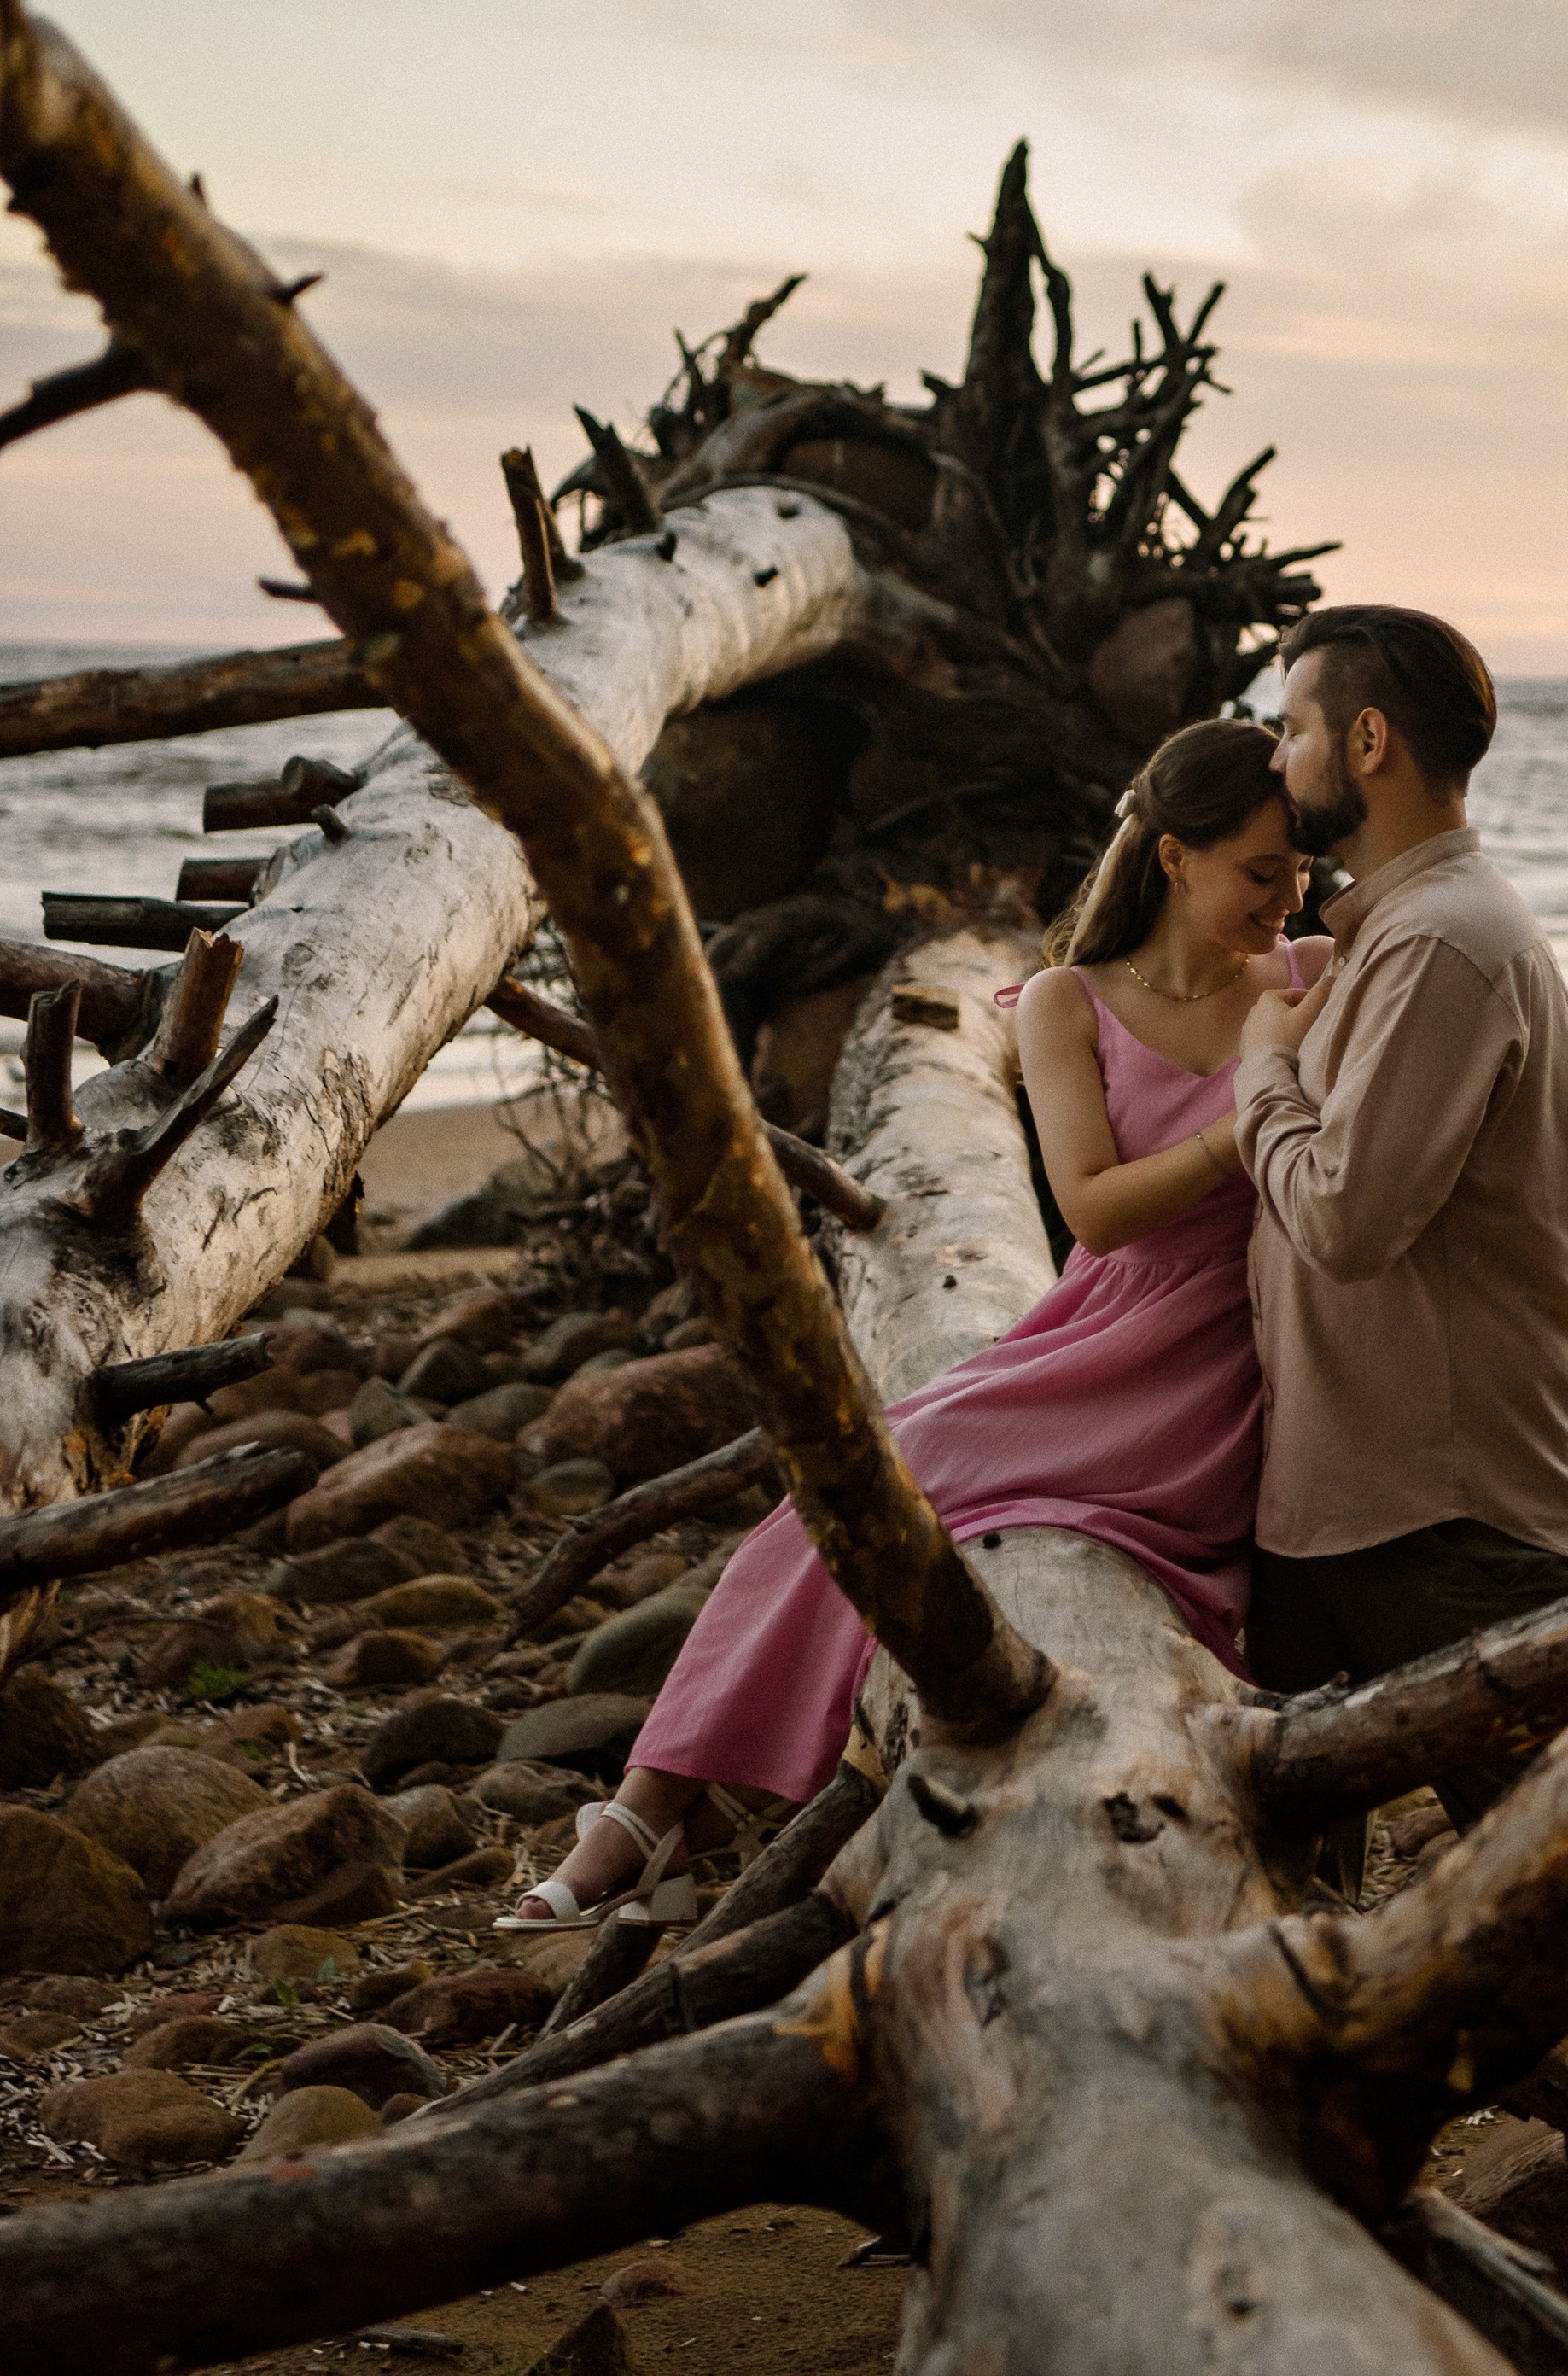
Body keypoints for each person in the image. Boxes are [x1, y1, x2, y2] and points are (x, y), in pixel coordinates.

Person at [498, 715, 1322, 1933]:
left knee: (896, 1483)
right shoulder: (1067, 1001)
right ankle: (651, 1811)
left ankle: (654, 1820)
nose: (1290, 894)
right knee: (846, 1490)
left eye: (1303, 869)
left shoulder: (1309, 977)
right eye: (1264, 869)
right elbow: (1093, 1212)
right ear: (1173, 858)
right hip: (1105, 1336)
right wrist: (1252, 1101)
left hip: (1226, 1366)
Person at [1233, 604, 1568, 2376]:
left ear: (1365, 744)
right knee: (1294, 1901)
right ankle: (1311, 2234)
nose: (1277, 754)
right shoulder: (1383, 933)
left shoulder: (1445, 944)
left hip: (1456, 1520)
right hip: (1337, 1499)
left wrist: (1255, 1076)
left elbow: (1349, 1214)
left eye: (1293, 724)